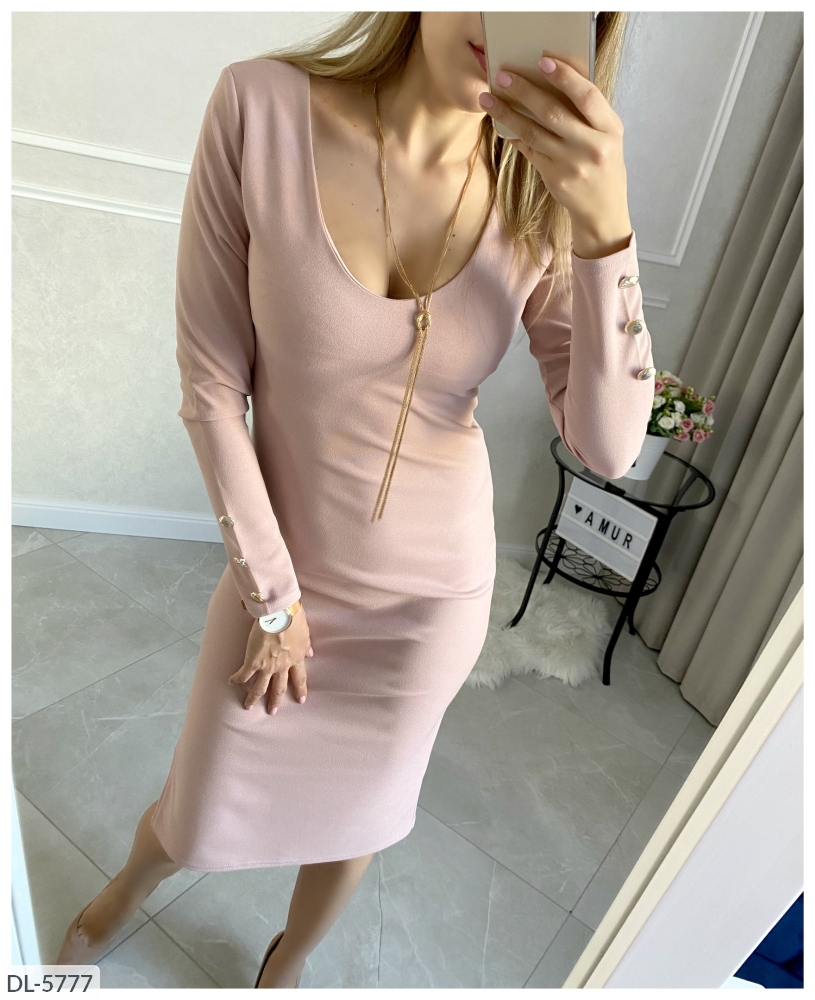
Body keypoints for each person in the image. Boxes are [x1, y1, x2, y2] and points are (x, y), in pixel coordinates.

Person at [56, 11, 654, 987]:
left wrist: (606, 232)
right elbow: (211, 385)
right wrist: (273, 600)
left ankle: (286, 965)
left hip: (430, 605)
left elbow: (609, 445)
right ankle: (125, 891)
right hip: (281, 579)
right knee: (197, 809)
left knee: (355, 824)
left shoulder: (540, 202)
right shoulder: (259, 108)